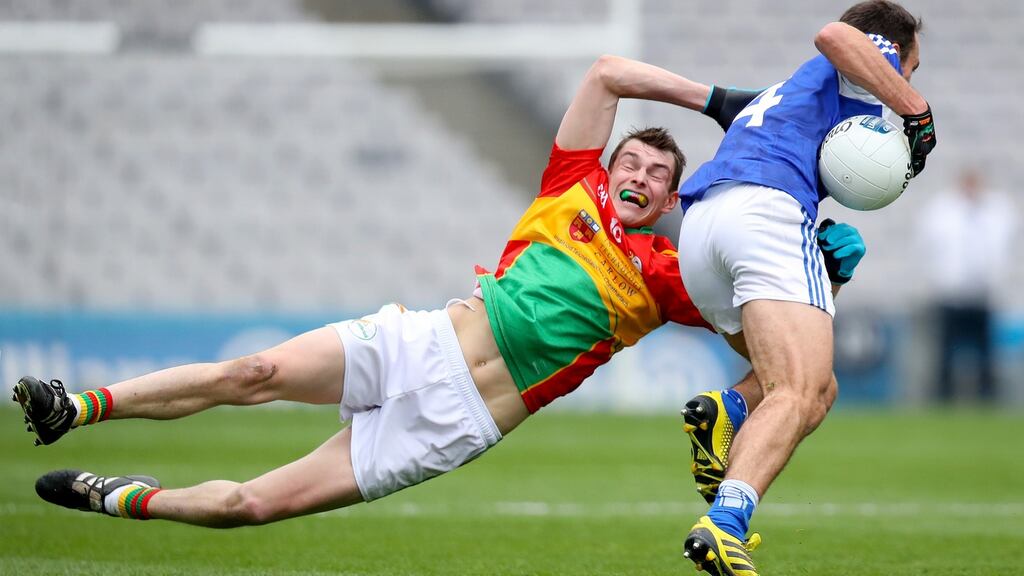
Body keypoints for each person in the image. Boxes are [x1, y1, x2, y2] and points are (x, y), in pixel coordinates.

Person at [16, 55, 837, 531]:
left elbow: (765, 348)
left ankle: (122, 498)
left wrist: (820, 271)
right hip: (420, 342)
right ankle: (74, 407)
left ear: (667, 204)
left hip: (458, 422)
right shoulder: (570, 183)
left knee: (249, 507)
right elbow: (608, 72)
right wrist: (721, 104)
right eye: (633, 163)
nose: (643, 176)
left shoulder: (673, 278)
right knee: (252, 374)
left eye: (661, 176)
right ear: (608, 168)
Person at [672, 2, 936, 575]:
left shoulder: (793, 93)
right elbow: (835, 34)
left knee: (808, 386)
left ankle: (731, 408)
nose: (902, 81)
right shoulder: (861, 54)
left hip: (703, 226)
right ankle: (723, 526)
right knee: (800, 389)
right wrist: (915, 112)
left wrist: (828, 275)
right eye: (909, 69)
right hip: (765, 209)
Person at [915, 165, 1016, 403]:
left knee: (986, 354)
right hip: (950, 293)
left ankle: (987, 398)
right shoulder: (941, 210)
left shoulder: (997, 210)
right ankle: (943, 398)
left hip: (984, 292)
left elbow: (1004, 245)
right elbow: (926, 246)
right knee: (946, 352)